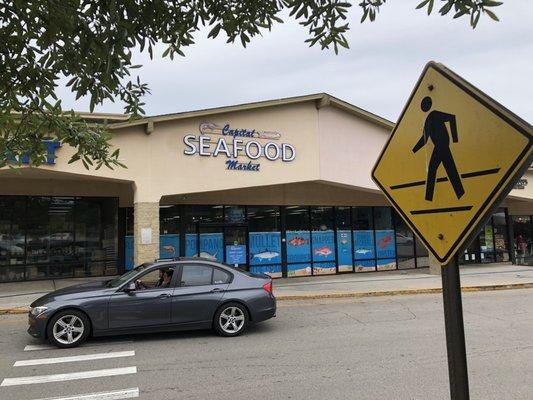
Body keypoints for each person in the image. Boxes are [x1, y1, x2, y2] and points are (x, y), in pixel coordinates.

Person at [412, 96, 465, 202]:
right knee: (450, 170)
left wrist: (455, 139)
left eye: (425, 105)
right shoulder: (427, 120)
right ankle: (460, 194)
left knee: (434, 170)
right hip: (439, 146)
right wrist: (413, 151)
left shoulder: (435, 114)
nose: (423, 107)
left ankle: (429, 198)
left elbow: (452, 118)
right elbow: (424, 139)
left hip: (443, 145)